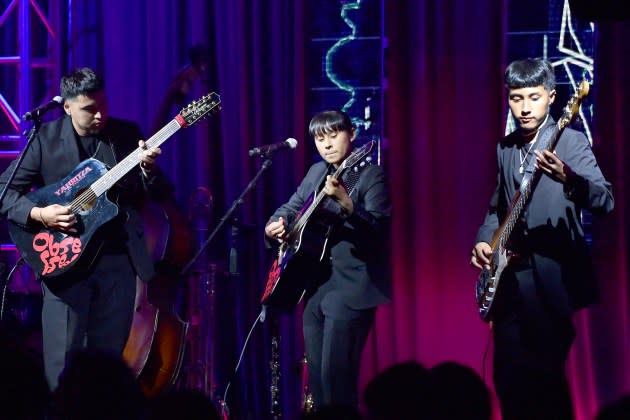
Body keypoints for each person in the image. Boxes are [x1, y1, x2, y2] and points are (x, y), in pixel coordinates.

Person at [0, 67, 168, 391]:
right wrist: (39, 213)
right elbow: (4, 192)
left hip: (117, 266)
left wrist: (148, 171)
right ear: (67, 107)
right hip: (65, 271)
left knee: (108, 374)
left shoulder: (125, 134)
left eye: (103, 105)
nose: (99, 114)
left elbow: (156, 195)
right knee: (61, 371)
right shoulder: (44, 140)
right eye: (89, 108)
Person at [471, 58, 614, 419]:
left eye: (533, 97)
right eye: (516, 98)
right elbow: (496, 207)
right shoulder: (505, 148)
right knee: (507, 381)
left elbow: (605, 199)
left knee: (545, 384)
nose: (524, 107)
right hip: (509, 282)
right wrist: (484, 240)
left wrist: (569, 178)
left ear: (551, 97)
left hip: (552, 283)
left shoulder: (570, 141)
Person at [264, 110, 391, 410]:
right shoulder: (315, 173)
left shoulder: (369, 174)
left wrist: (349, 206)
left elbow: (379, 230)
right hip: (316, 287)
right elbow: (289, 207)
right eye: (320, 139)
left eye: (334, 135)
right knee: (318, 386)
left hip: (352, 288)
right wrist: (275, 226)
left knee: (338, 383)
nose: (327, 144)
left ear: (352, 135)